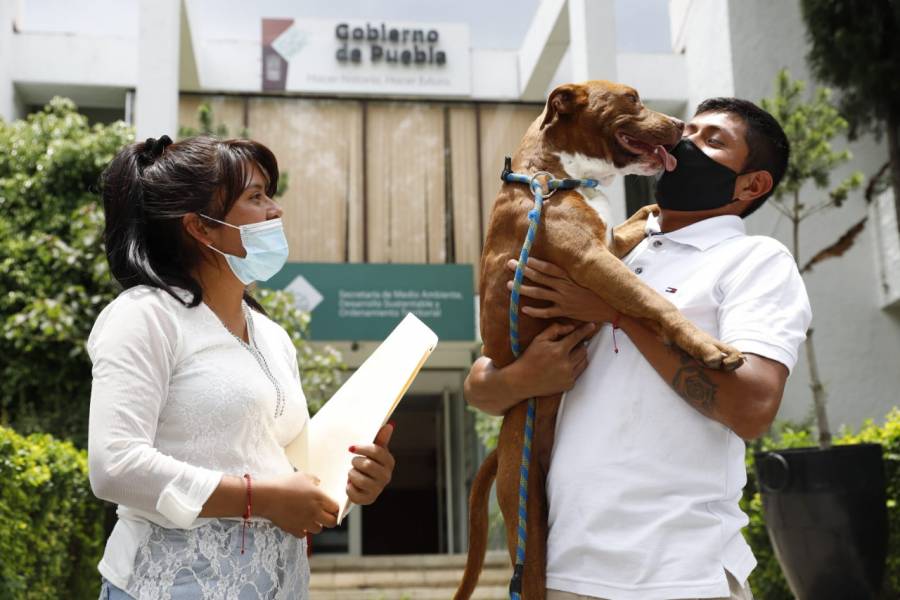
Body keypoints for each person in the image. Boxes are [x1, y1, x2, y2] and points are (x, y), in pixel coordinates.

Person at [465, 98, 812, 600]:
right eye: (687, 130)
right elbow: (480, 386)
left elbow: (752, 407)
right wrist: (521, 379)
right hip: (564, 571)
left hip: (679, 574)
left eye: (712, 140)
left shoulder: (754, 260)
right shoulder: (608, 245)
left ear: (752, 185)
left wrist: (617, 313)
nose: (685, 143)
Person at [87, 135, 396, 599]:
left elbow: (291, 467)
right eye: (255, 197)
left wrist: (352, 484)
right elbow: (114, 466)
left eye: (270, 194)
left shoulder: (274, 337)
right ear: (201, 228)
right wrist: (262, 499)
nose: (276, 210)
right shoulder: (145, 315)